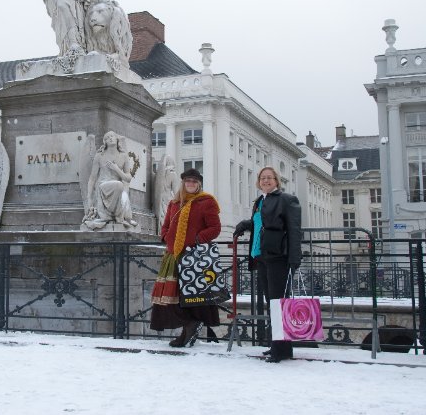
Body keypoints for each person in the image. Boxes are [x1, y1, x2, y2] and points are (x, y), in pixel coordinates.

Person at [233, 166, 302, 362]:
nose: (266, 181)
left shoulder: (286, 200)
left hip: (278, 257)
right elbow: (259, 223)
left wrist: (294, 259)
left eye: (270, 178)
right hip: (261, 256)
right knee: (272, 303)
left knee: (278, 303)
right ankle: (281, 346)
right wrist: (245, 224)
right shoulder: (260, 201)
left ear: (277, 181)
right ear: (258, 181)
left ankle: (279, 348)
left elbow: (295, 230)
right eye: (262, 178)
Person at [150, 168, 222, 347]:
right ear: (183, 183)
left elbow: (215, 228)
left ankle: (189, 327)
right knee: (173, 297)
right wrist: (166, 237)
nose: (191, 184)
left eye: (194, 182)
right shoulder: (174, 203)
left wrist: (197, 239)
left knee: (190, 295)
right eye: (188, 181)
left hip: (193, 256)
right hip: (173, 255)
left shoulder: (207, 202)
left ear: (199, 184)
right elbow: (165, 225)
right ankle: (188, 326)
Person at [83, 131, 137, 229]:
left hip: (118, 188)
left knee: (123, 194)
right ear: (105, 142)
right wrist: (89, 196)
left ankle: (118, 216)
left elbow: (128, 178)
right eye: (107, 137)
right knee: (119, 185)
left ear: (117, 139)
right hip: (103, 186)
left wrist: (116, 169)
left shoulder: (123, 156)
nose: (110, 138)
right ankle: (116, 216)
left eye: (112, 136)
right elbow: (92, 177)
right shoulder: (100, 156)